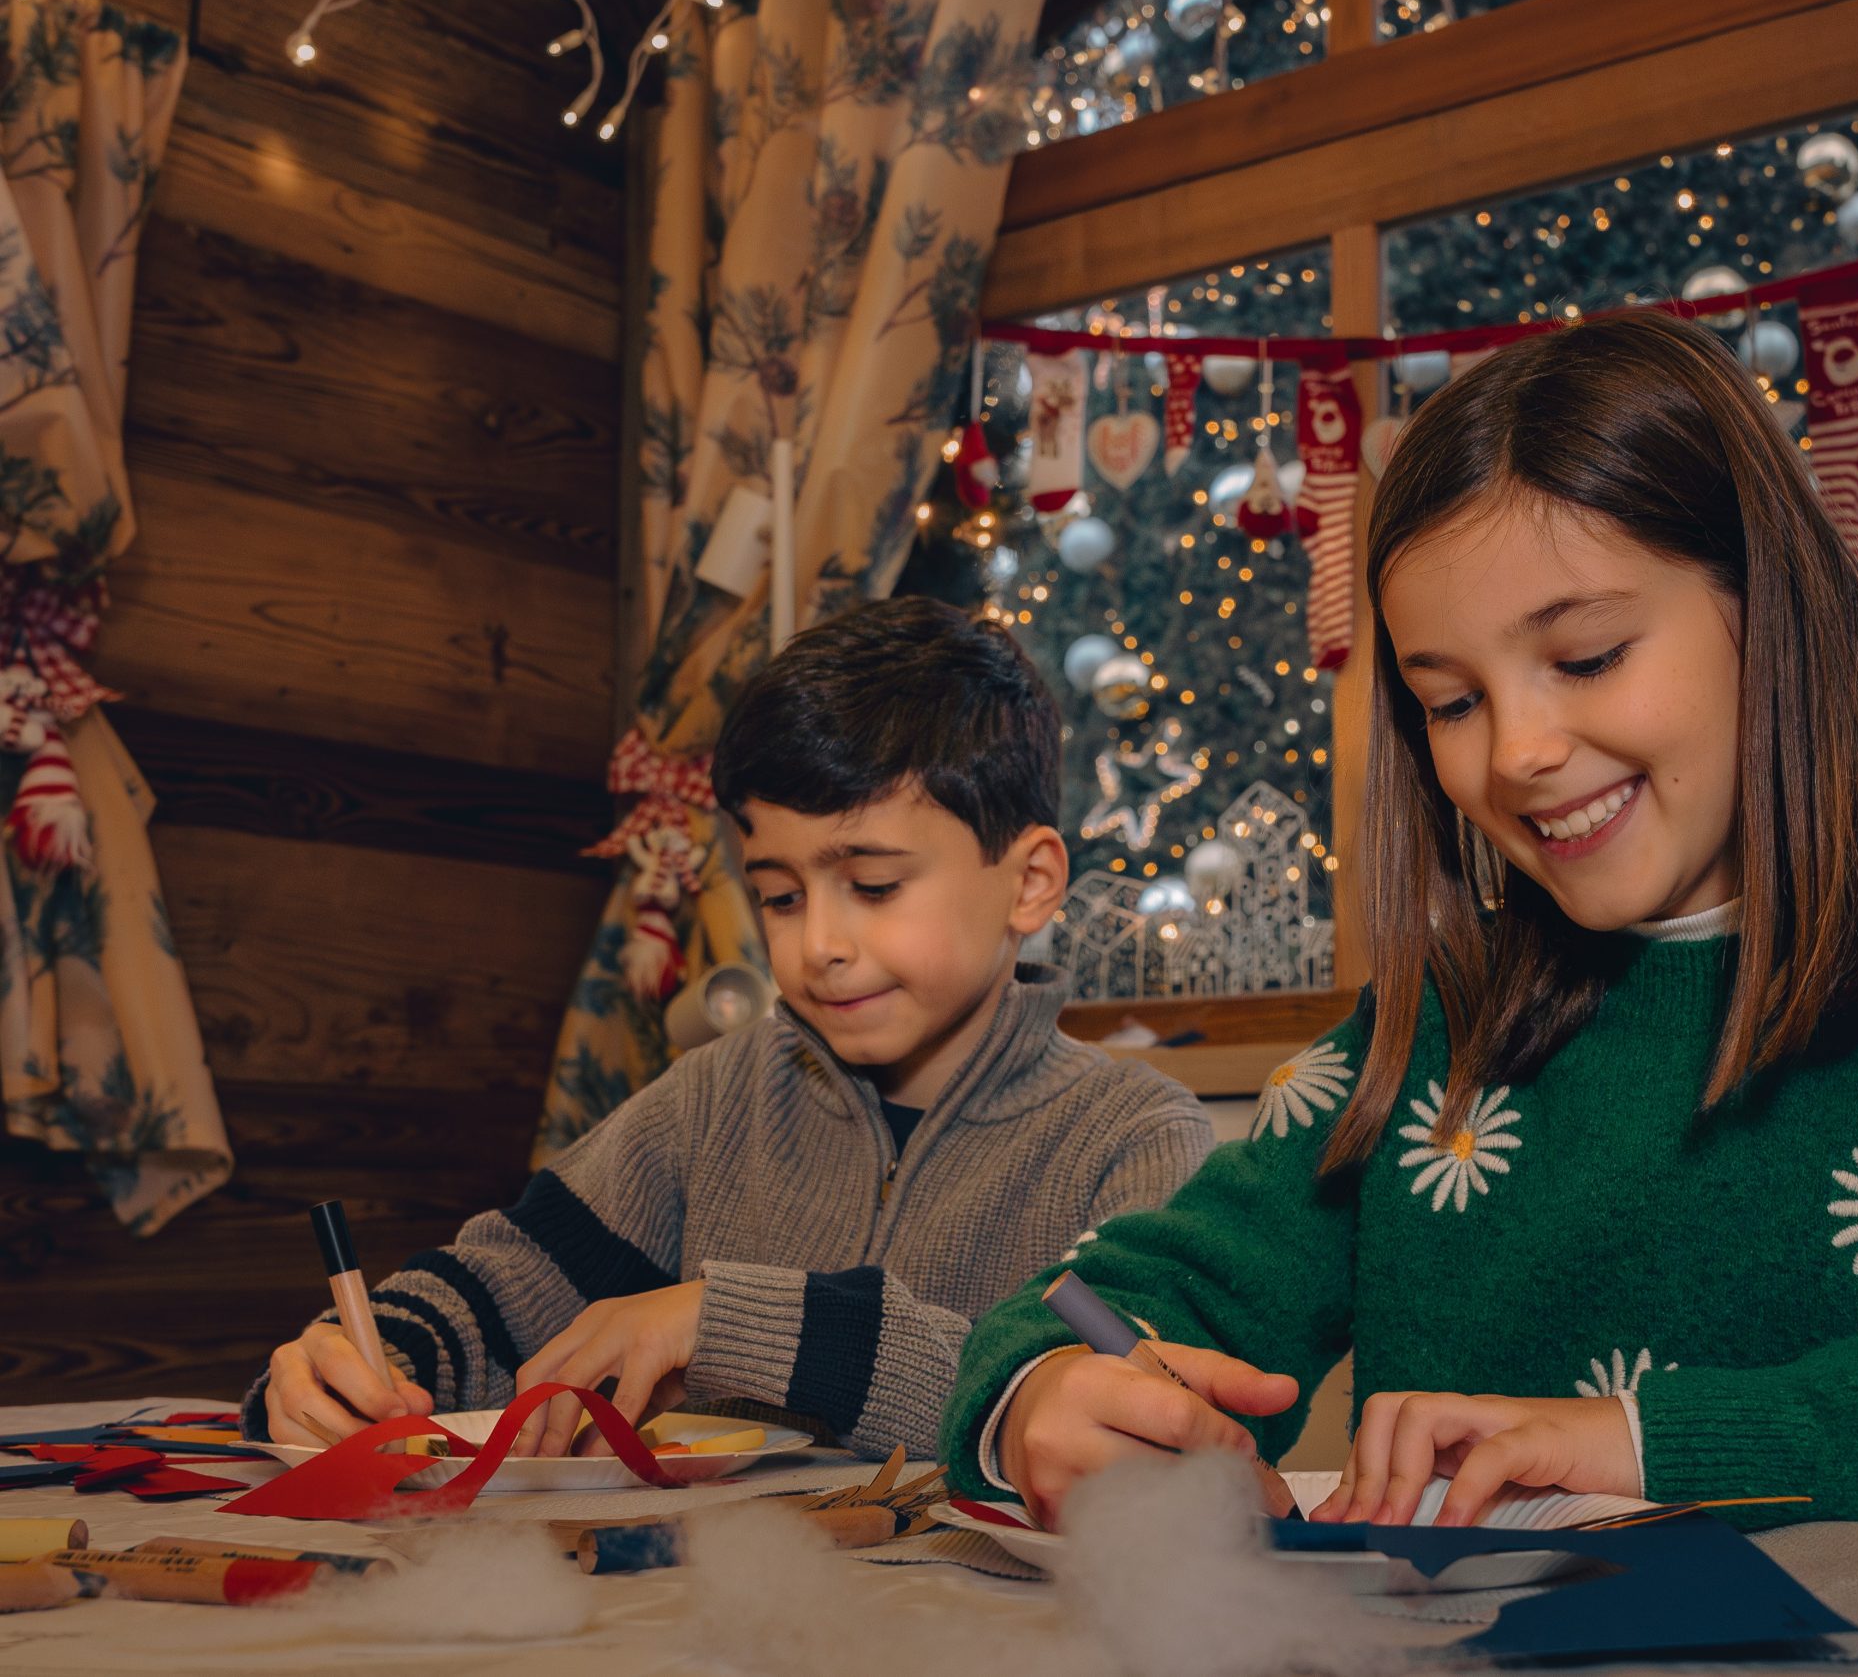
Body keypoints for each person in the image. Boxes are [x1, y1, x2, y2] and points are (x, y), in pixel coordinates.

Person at [941, 310, 1858, 1551]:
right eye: (1450, 698)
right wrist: (1039, 1400)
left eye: (1585, 654)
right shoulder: (1435, 1033)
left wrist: (1673, 1440)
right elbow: (1094, 1302)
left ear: (1766, 611)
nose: (1514, 748)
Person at [250, 597, 1214, 1459]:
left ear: (1031, 881)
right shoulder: (716, 1098)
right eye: (780, 895)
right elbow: (500, 1291)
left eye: (873, 886)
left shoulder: (1134, 1137)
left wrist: (740, 1320)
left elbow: (1132, 1416)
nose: (819, 944)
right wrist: (350, 1366)